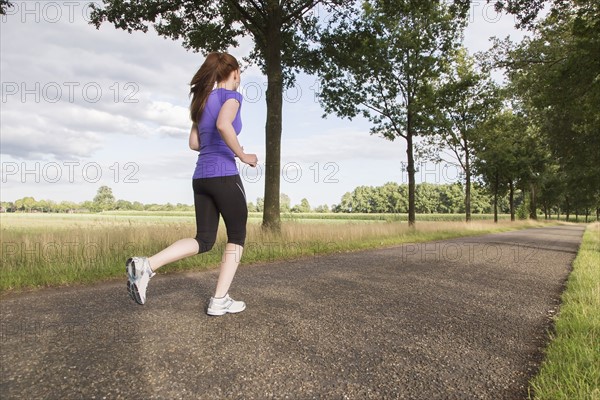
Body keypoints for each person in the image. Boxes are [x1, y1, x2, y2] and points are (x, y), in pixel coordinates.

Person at [126, 52, 257, 316]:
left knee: (205, 239)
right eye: (239, 72)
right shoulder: (232, 97)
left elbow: (195, 144)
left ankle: (147, 265)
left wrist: (222, 144)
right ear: (233, 73)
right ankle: (219, 299)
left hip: (201, 178)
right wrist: (242, 155)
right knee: (237, 236)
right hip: (224, 175)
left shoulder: (201, 101)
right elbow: (223, 124)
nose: (239, 77)